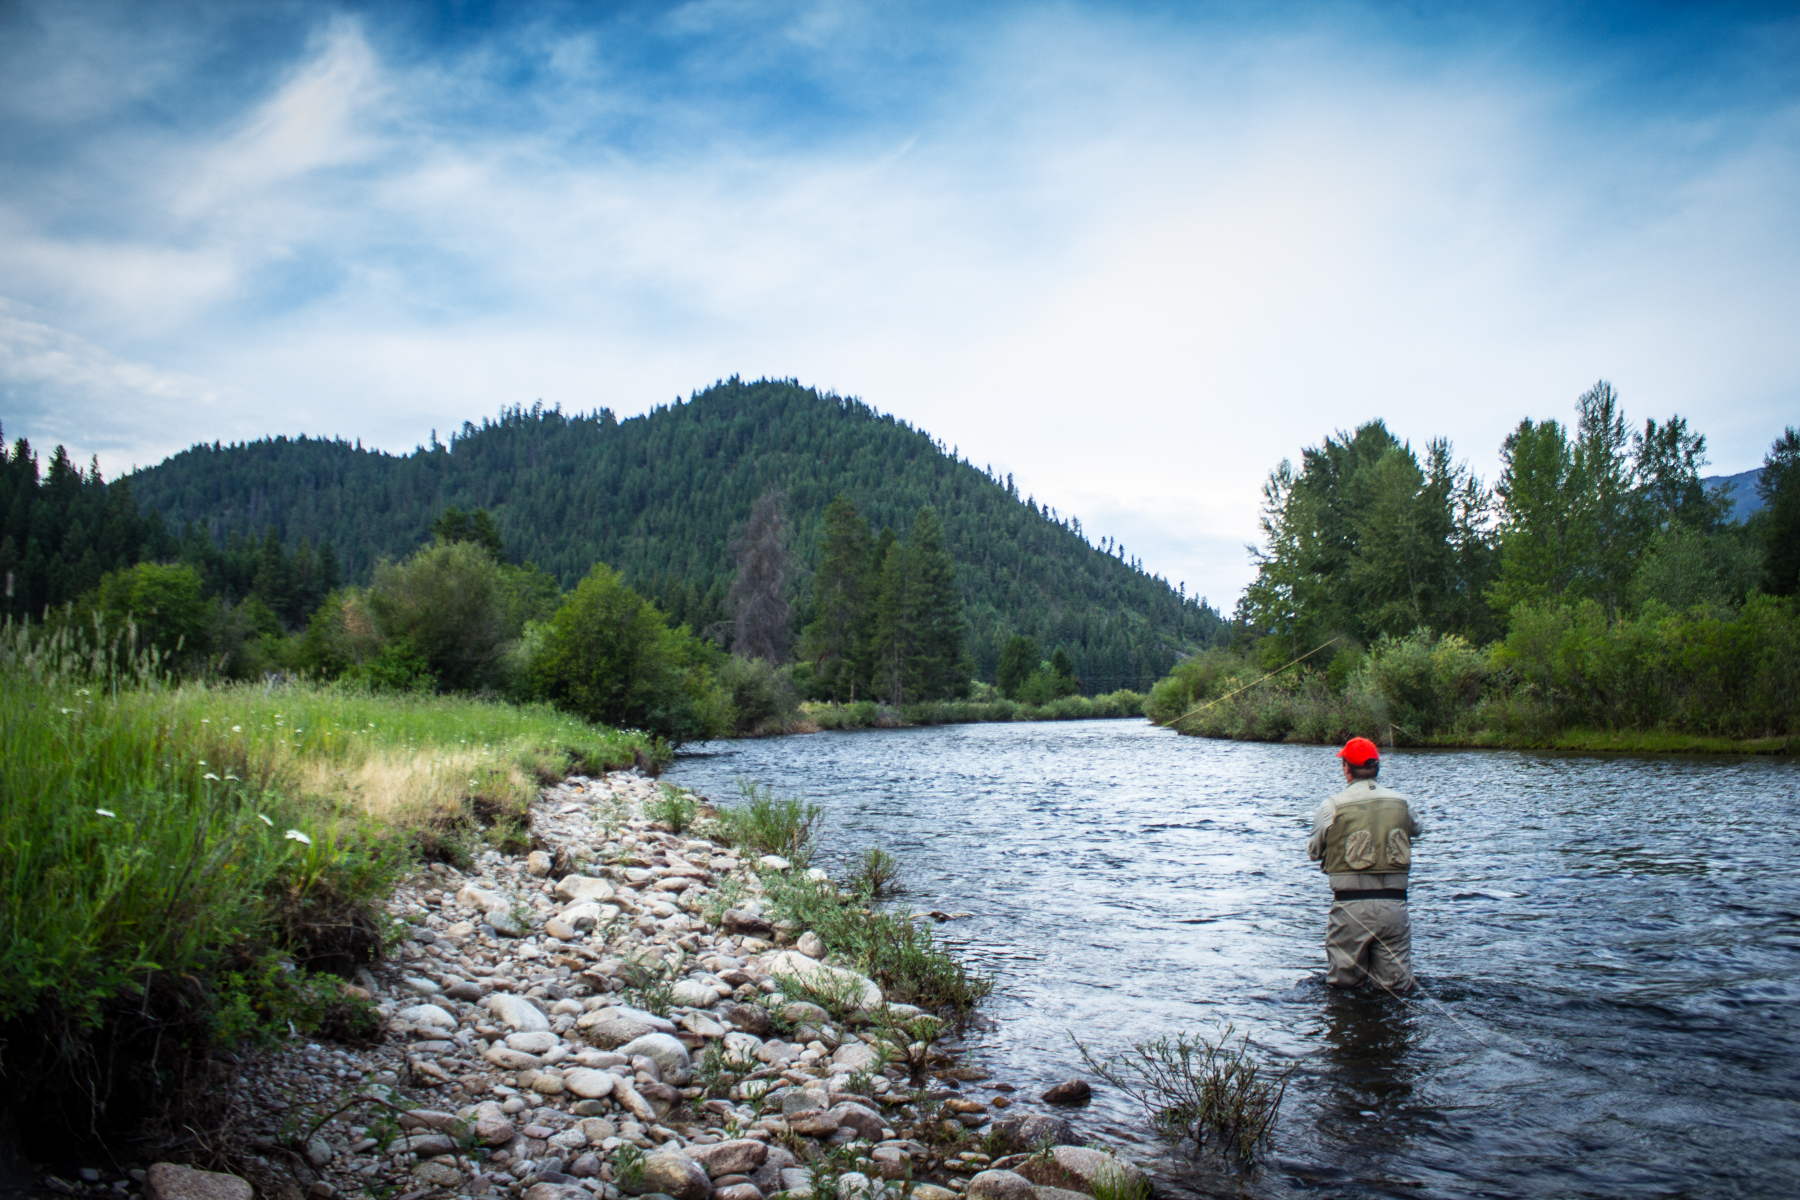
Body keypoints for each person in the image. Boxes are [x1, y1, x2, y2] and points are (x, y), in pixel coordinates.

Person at [1306, 736, 1420, 991]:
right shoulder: (1402, 802)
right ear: (1376, 768)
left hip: (1350, 907)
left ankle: (1348, 1027)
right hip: (1395, 906)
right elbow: (1418, 829)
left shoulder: (1331, 806)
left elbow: (1314, 852)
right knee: (1396, 990)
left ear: (1346, 767)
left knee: (1343, 989)